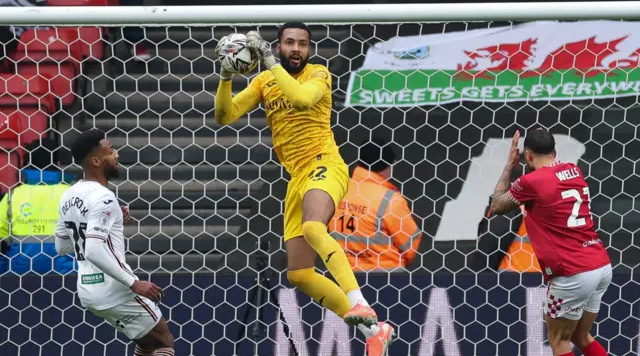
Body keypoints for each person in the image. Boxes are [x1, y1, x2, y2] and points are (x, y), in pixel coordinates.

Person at [214, 22, 395, 355]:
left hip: (325, 164)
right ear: (279, 45)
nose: (296, 49)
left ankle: (360, 304)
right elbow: (225, 115)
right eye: (289, 43)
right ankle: (375, 330)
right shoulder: (265, 81)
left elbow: (300, 99)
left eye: (303, 44)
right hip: (297, 177)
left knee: (314, 226)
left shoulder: (319, 75)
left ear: (309, 49)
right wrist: (226, 76)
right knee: (299, 274)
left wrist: (267, 60)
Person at [490, 129, 610, 356]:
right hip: (600, 265)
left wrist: (509, 166)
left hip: (572, 273)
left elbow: (497, 206)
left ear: (527, 155)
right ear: (555, 152)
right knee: (581, 336)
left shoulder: (531, 181)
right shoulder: (573, 170)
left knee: (558, 340)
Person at [55, 129, 174, 356]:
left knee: (148, 343)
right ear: (96, 161)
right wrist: (133, 283)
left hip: (88, 290)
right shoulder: (104, 197)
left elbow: (63, 247)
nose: (117, 155)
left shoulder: (68, 195)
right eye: (111, 151)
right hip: (114, 288)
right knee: (164, 342)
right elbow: (93, 249)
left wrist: (111, 218)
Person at [328, 138, 422, 272]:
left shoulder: (340, 191)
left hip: (345, 274)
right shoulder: (390, 200)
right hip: (386, 275)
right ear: (387, 166)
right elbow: (410, 244)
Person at [0, 137, 76, 275]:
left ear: (27, 164)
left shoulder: (12, 196)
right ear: (58, 163)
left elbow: (1, 241)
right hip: (66, 273)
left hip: (20, 274)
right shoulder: (72, 194)